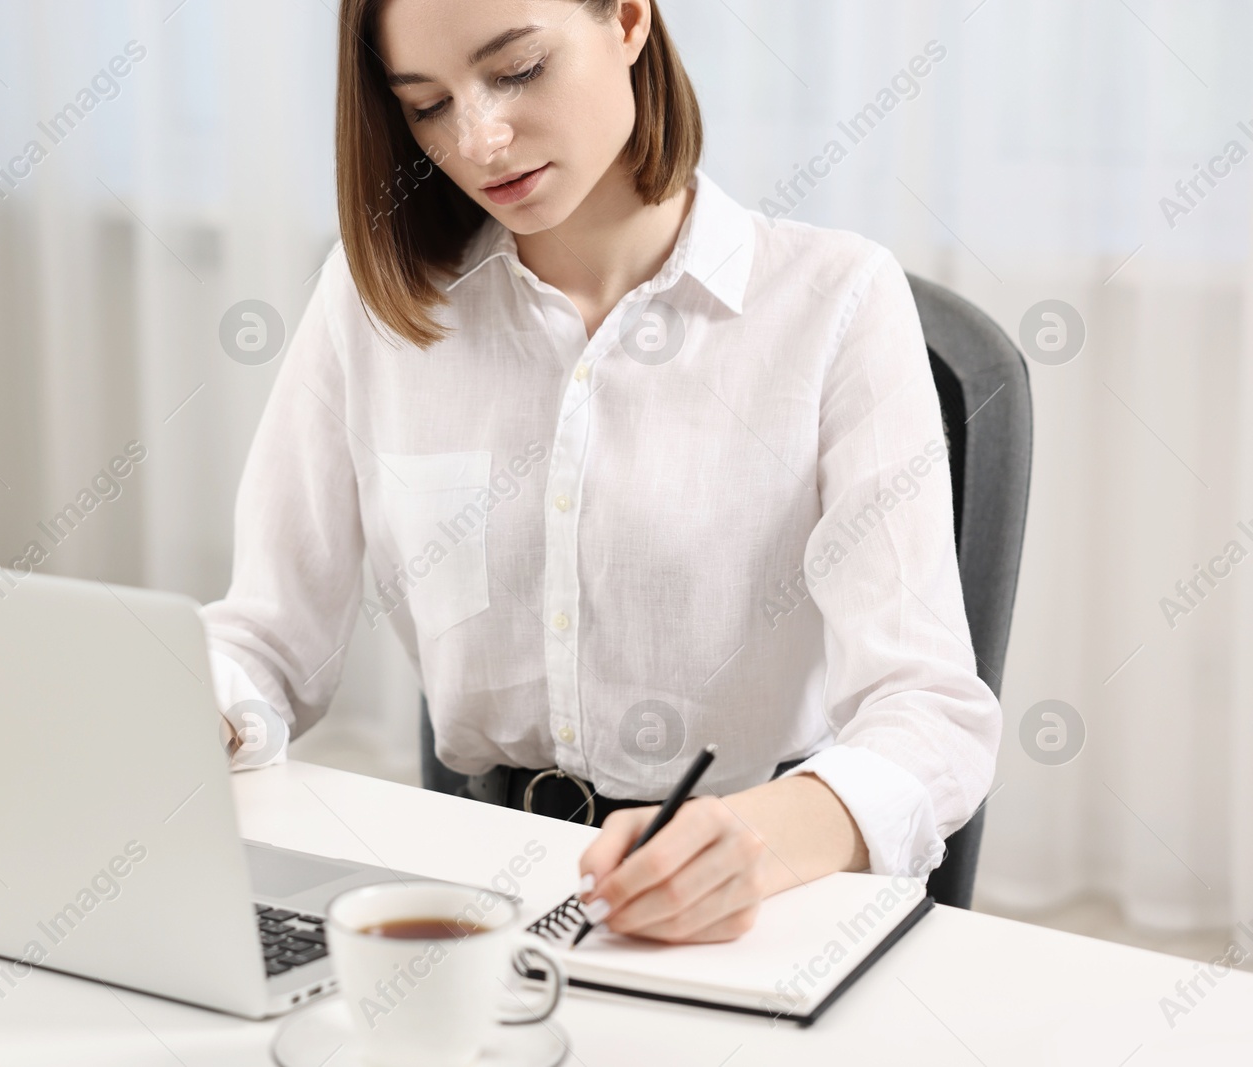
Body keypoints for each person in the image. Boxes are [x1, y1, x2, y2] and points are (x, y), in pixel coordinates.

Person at [203, 0, 1000, 945]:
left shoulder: (836, 302)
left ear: (627, 18)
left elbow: (930, 711)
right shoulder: (374, 300)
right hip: (467, 891)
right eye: (427, 105)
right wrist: (201, 709)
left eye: (518, 70)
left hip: (753, 905)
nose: (479, 138)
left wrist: (765, 840)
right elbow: (263, 639)